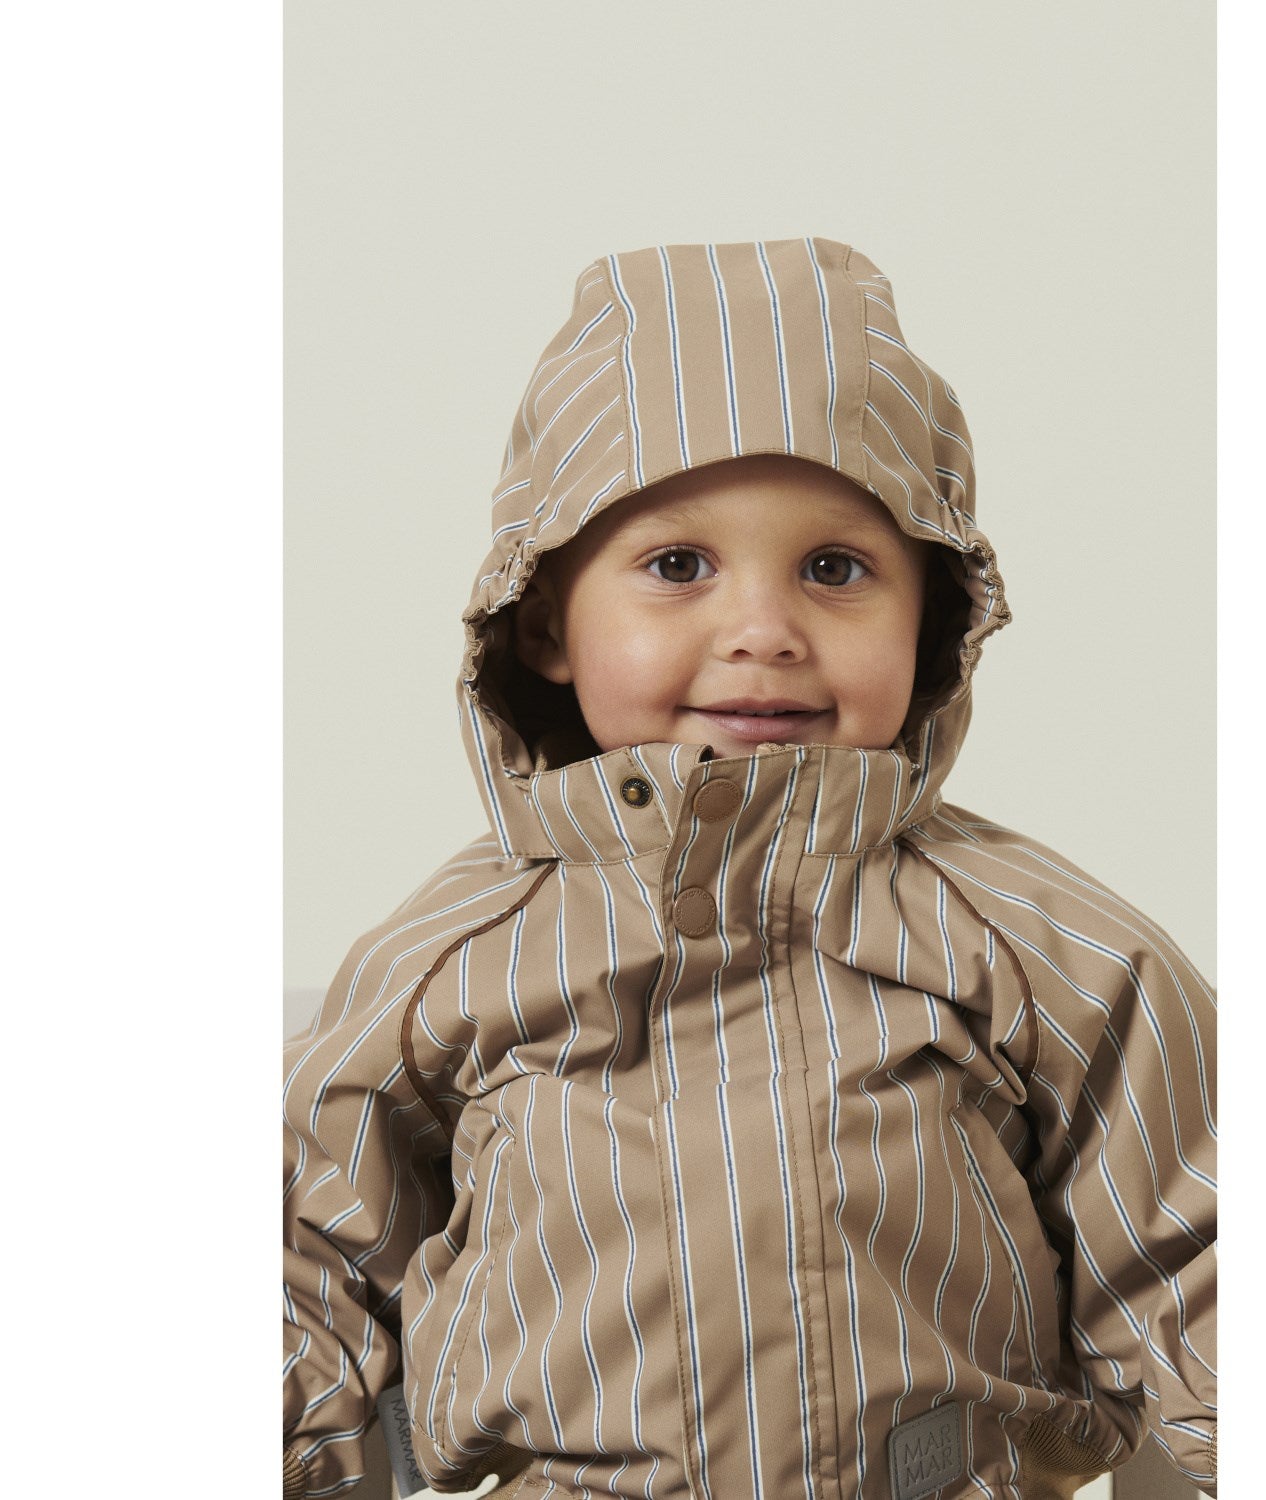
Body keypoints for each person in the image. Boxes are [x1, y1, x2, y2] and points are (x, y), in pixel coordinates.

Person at [282, 237, 1217, 1500]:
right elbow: (310, 1255)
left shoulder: (1050, 950)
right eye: (678, 567)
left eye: (836, 569)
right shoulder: (448, 961)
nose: (764, 631)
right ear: (546, 620)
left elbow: (1202, 1239)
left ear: (932, 614)